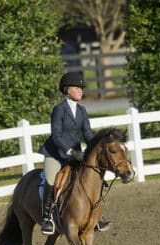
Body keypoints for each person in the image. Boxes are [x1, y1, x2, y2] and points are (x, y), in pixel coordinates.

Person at [38, 71, 111, 235]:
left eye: (81, 88)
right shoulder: (59, 110)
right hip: (55, 153)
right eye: (77, 87)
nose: (80, 90)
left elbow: (88, 134)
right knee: (51, 179)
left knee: (92, 176)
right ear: (66, 89)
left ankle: (95, 216)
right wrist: (70, 151)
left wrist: (95, 148)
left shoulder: (82, 111)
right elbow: (56, 136)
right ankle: (47, 218)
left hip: (76, 153)